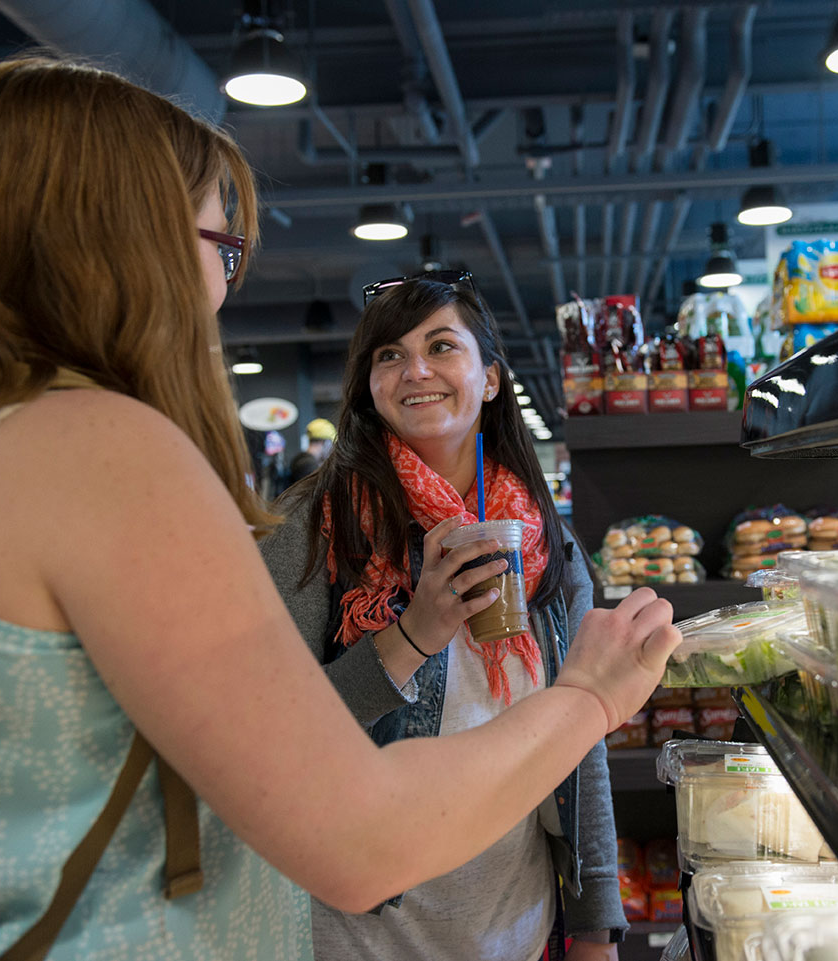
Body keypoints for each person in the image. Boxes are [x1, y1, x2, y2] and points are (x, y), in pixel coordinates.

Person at [0, 56, 680, 961]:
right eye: (220, 247)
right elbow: (357, 833)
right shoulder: (95, 451)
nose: (223, 288)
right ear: (126, 237)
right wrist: (588, 697)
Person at [259, 276, 624, 961]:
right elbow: (273, 741)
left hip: (516, 931)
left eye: (440, 345)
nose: (415, 369)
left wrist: (596, 932)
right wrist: (412, 634)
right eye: (389, 355)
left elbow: (579, 738)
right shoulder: (312, 528)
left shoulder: (546, 540)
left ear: (488, 380)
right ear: (370, 385)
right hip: (353, 936)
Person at [286, 418, 334, 483]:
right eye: (331, 444)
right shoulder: (307, 464)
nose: (332, 448)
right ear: (324, 442)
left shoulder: (303, 460)